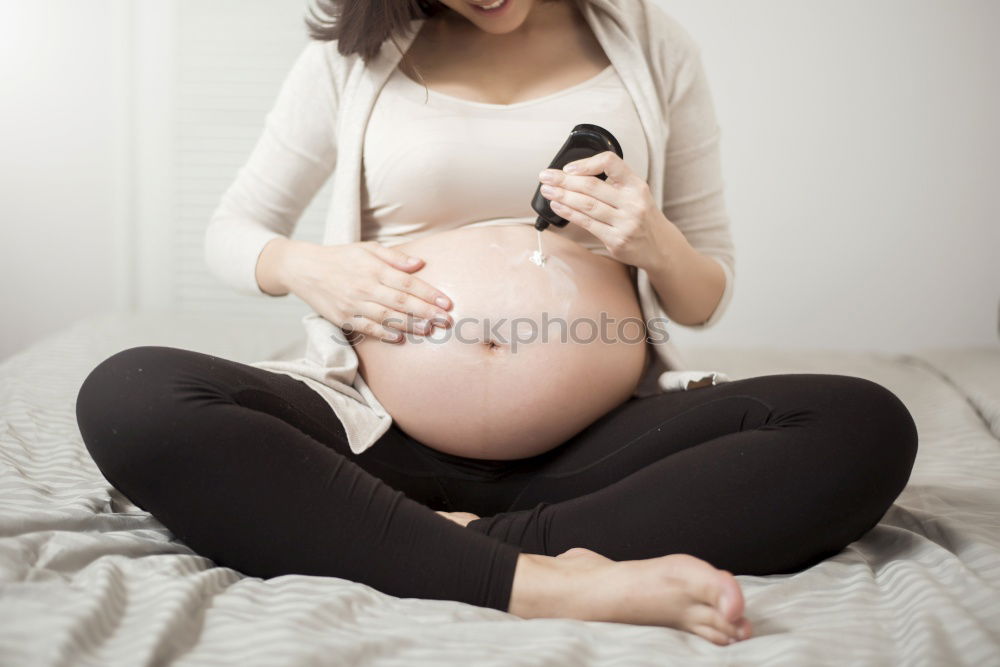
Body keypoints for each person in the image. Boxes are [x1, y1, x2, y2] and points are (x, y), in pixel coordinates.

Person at [75, 0, 919, 647]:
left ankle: (464, 541)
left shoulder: (651, 43)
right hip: (376, 436)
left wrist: (651, 239)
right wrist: (307, 266)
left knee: (862, 423)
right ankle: (546, 579)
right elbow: (233, 229)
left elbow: (703, 293)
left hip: (594, 448)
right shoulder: (355, 53)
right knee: (132, 394)